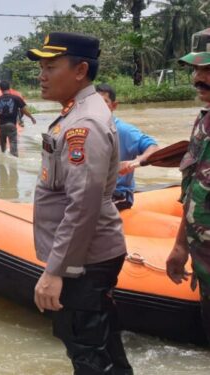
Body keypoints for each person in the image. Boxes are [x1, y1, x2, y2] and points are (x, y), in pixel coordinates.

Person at [27, 32, 133, 374]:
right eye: (41, 67)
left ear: (80, 70)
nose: (41, 75)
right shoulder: (78, 112)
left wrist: (56, 270)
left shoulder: (83, 124)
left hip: (84, 261)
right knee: (104, 349)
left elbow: (82, 206)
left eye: (51, 66)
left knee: (87, 354)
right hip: (88, 255)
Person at [166, 28, 210, 343]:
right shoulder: (203, 122)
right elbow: (193, 185)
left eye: (208, 68)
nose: (198, 77)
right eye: (196, 68)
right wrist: (181, 245)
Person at [95, 83, 159, 210]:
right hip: (95, 192)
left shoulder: (124, 130)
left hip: (119, 194)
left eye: (104, 102)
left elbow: (154, 148)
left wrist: (135, 162)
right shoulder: (85, 130)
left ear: (114, 106)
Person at [0, 80, 37, 157]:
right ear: (9, 88)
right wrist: (31, 117)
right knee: (13, 146)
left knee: (2, 146)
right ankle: (14, 164)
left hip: (1, 126)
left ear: (0, 89)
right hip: (12, 125)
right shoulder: (16, 98)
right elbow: (24, 110)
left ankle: (3, 161)